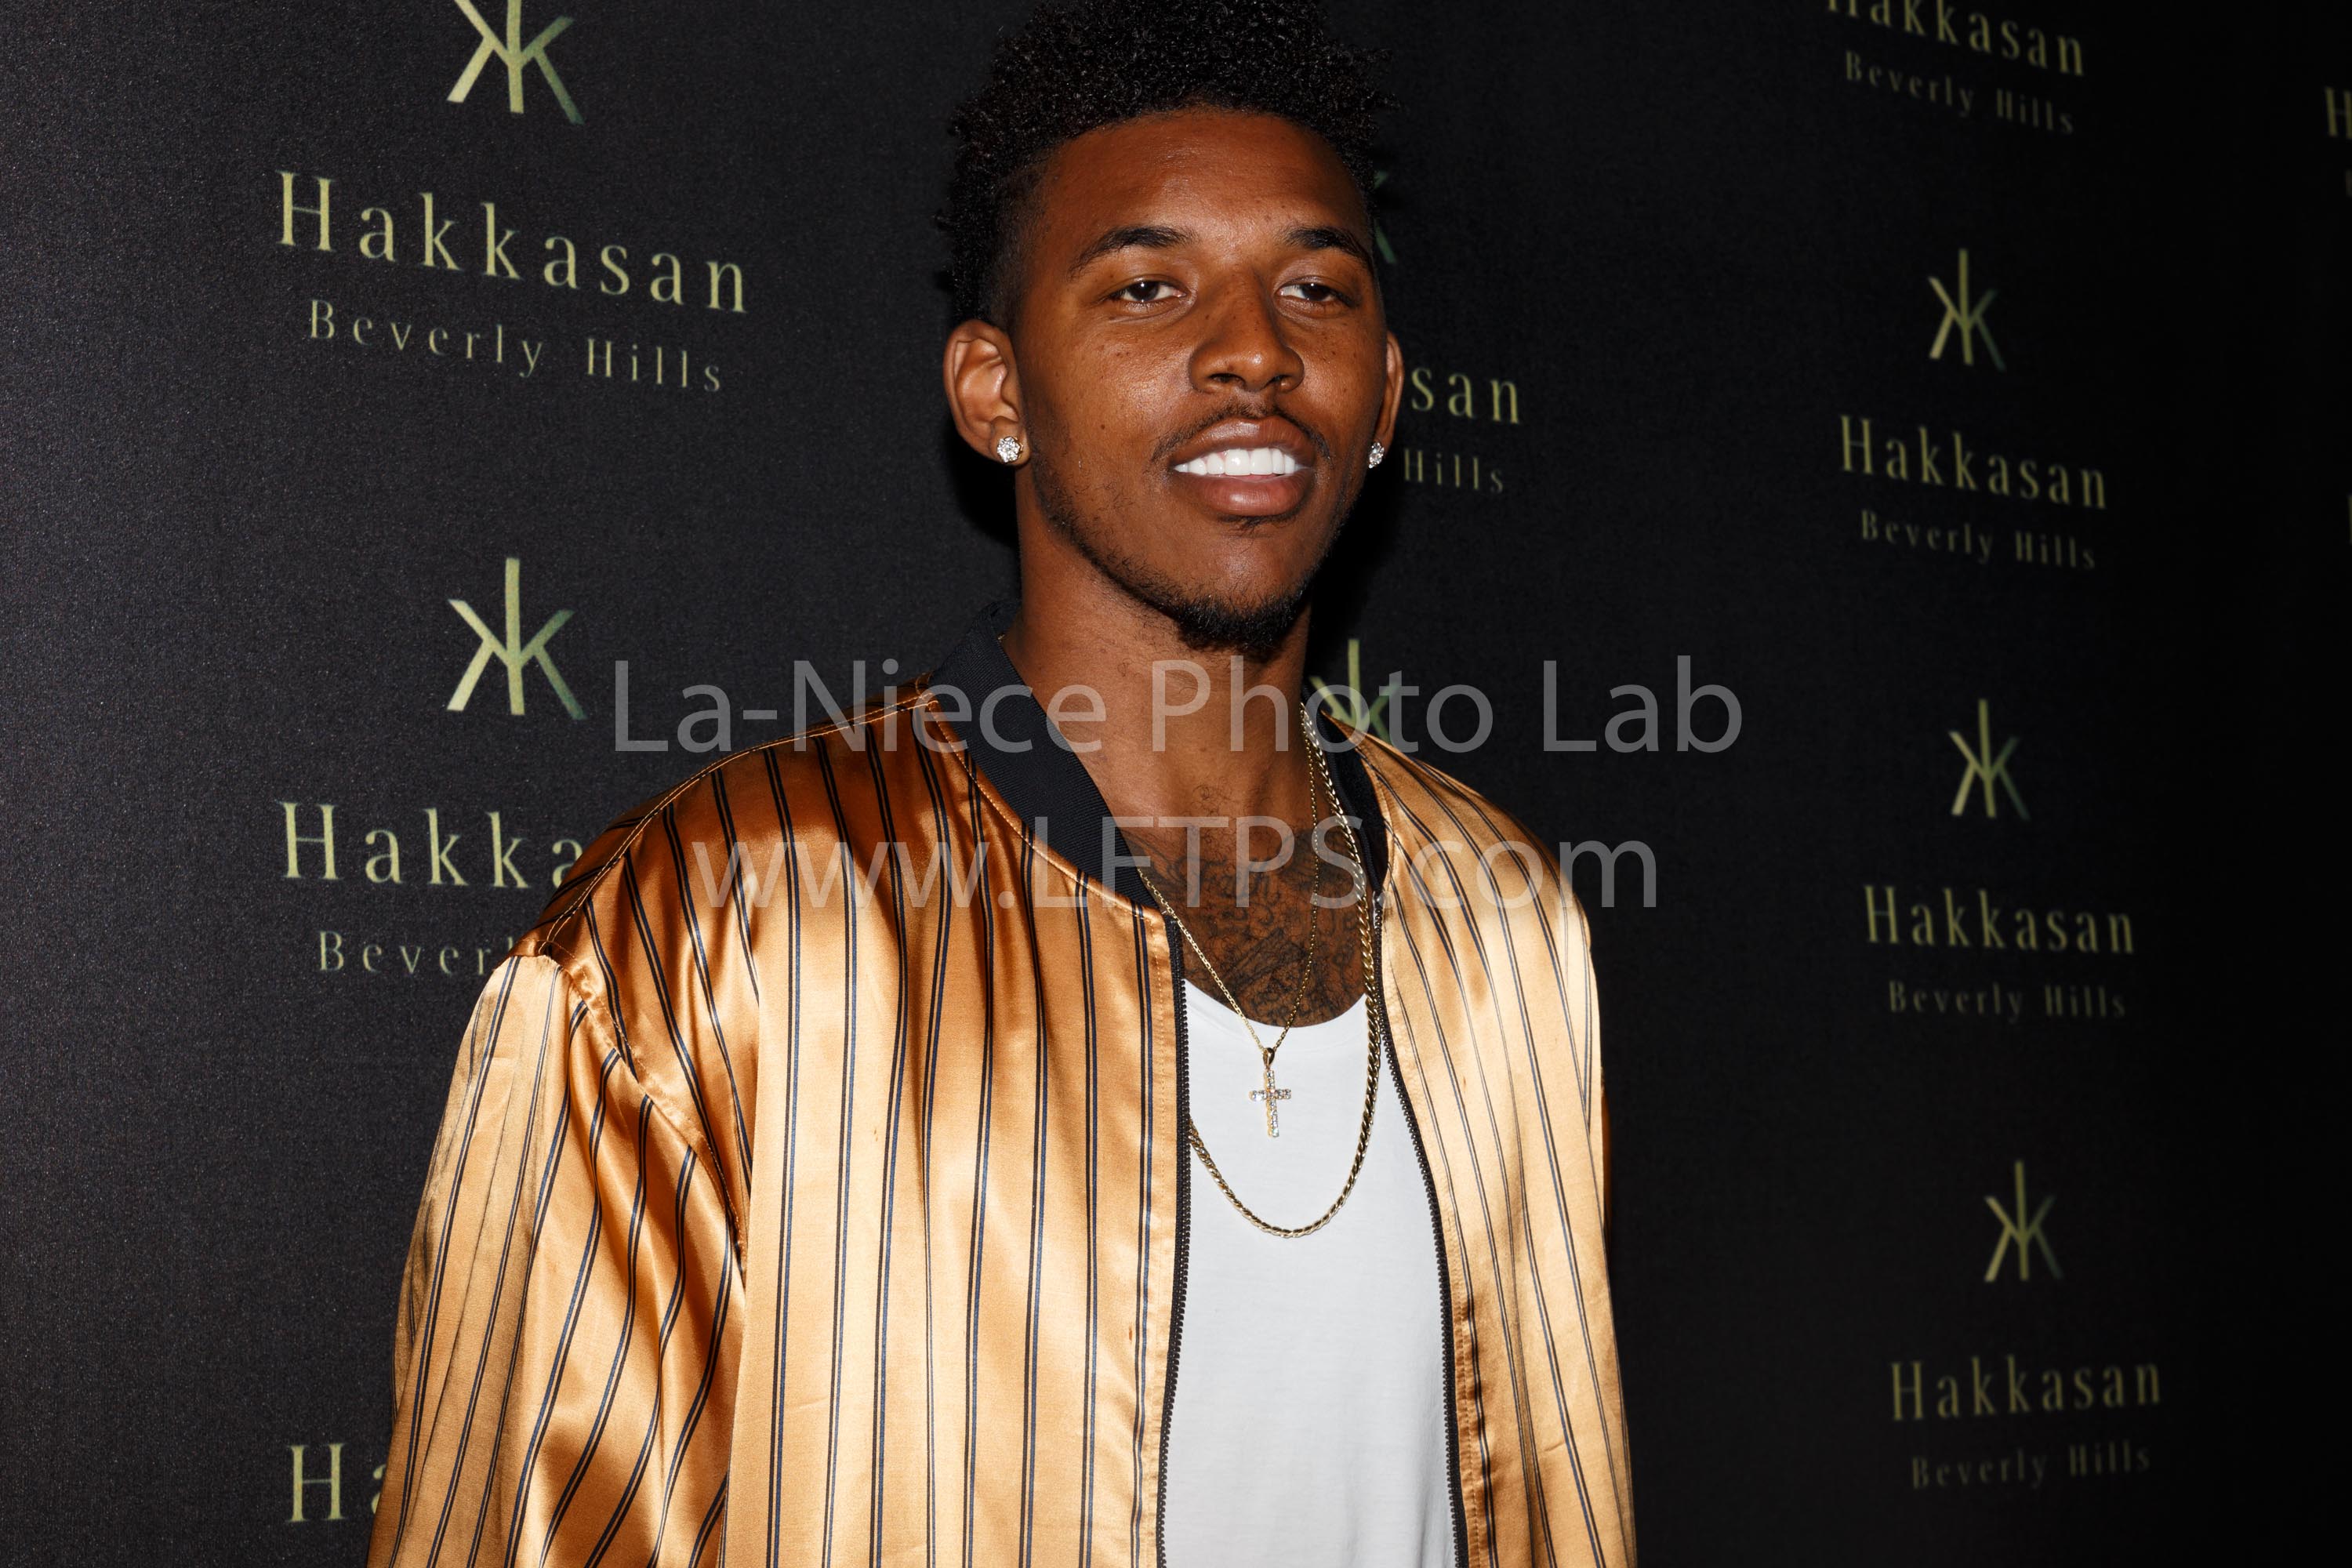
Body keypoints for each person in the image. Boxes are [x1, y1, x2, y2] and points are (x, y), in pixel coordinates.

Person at [363, 2, 1633, 1565]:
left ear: (1381, 397)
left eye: (1318, 287)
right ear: (994, 392)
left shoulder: (1506, 918)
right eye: (1149, 286)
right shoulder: (716, 923)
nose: (1257, 348)